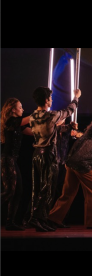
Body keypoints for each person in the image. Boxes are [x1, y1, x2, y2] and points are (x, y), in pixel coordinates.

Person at [27, 86, 81, 232]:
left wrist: (67, 127)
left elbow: (49, 130)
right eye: (50, 98)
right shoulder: (51, 115)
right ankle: (36, 218)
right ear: (46, 100)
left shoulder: (32, 116)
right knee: (48, 189)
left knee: (37, 188)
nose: (51, 100)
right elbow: (69, 110)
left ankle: (40, 219)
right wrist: (76, 97)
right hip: (48, 155)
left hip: (36, 154)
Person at [1, 98, 33, 231]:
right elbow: (31, 118)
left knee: (17, 191)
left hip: (13, 160)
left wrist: (56, 126)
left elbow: (33, 132)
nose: (23, 109)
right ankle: (10, 222)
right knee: (9, 192)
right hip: (7, 160)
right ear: (13, 110)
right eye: (20, 107)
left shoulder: (17, 124)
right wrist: (41, 112)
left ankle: (10, 222)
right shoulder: (11, 122)